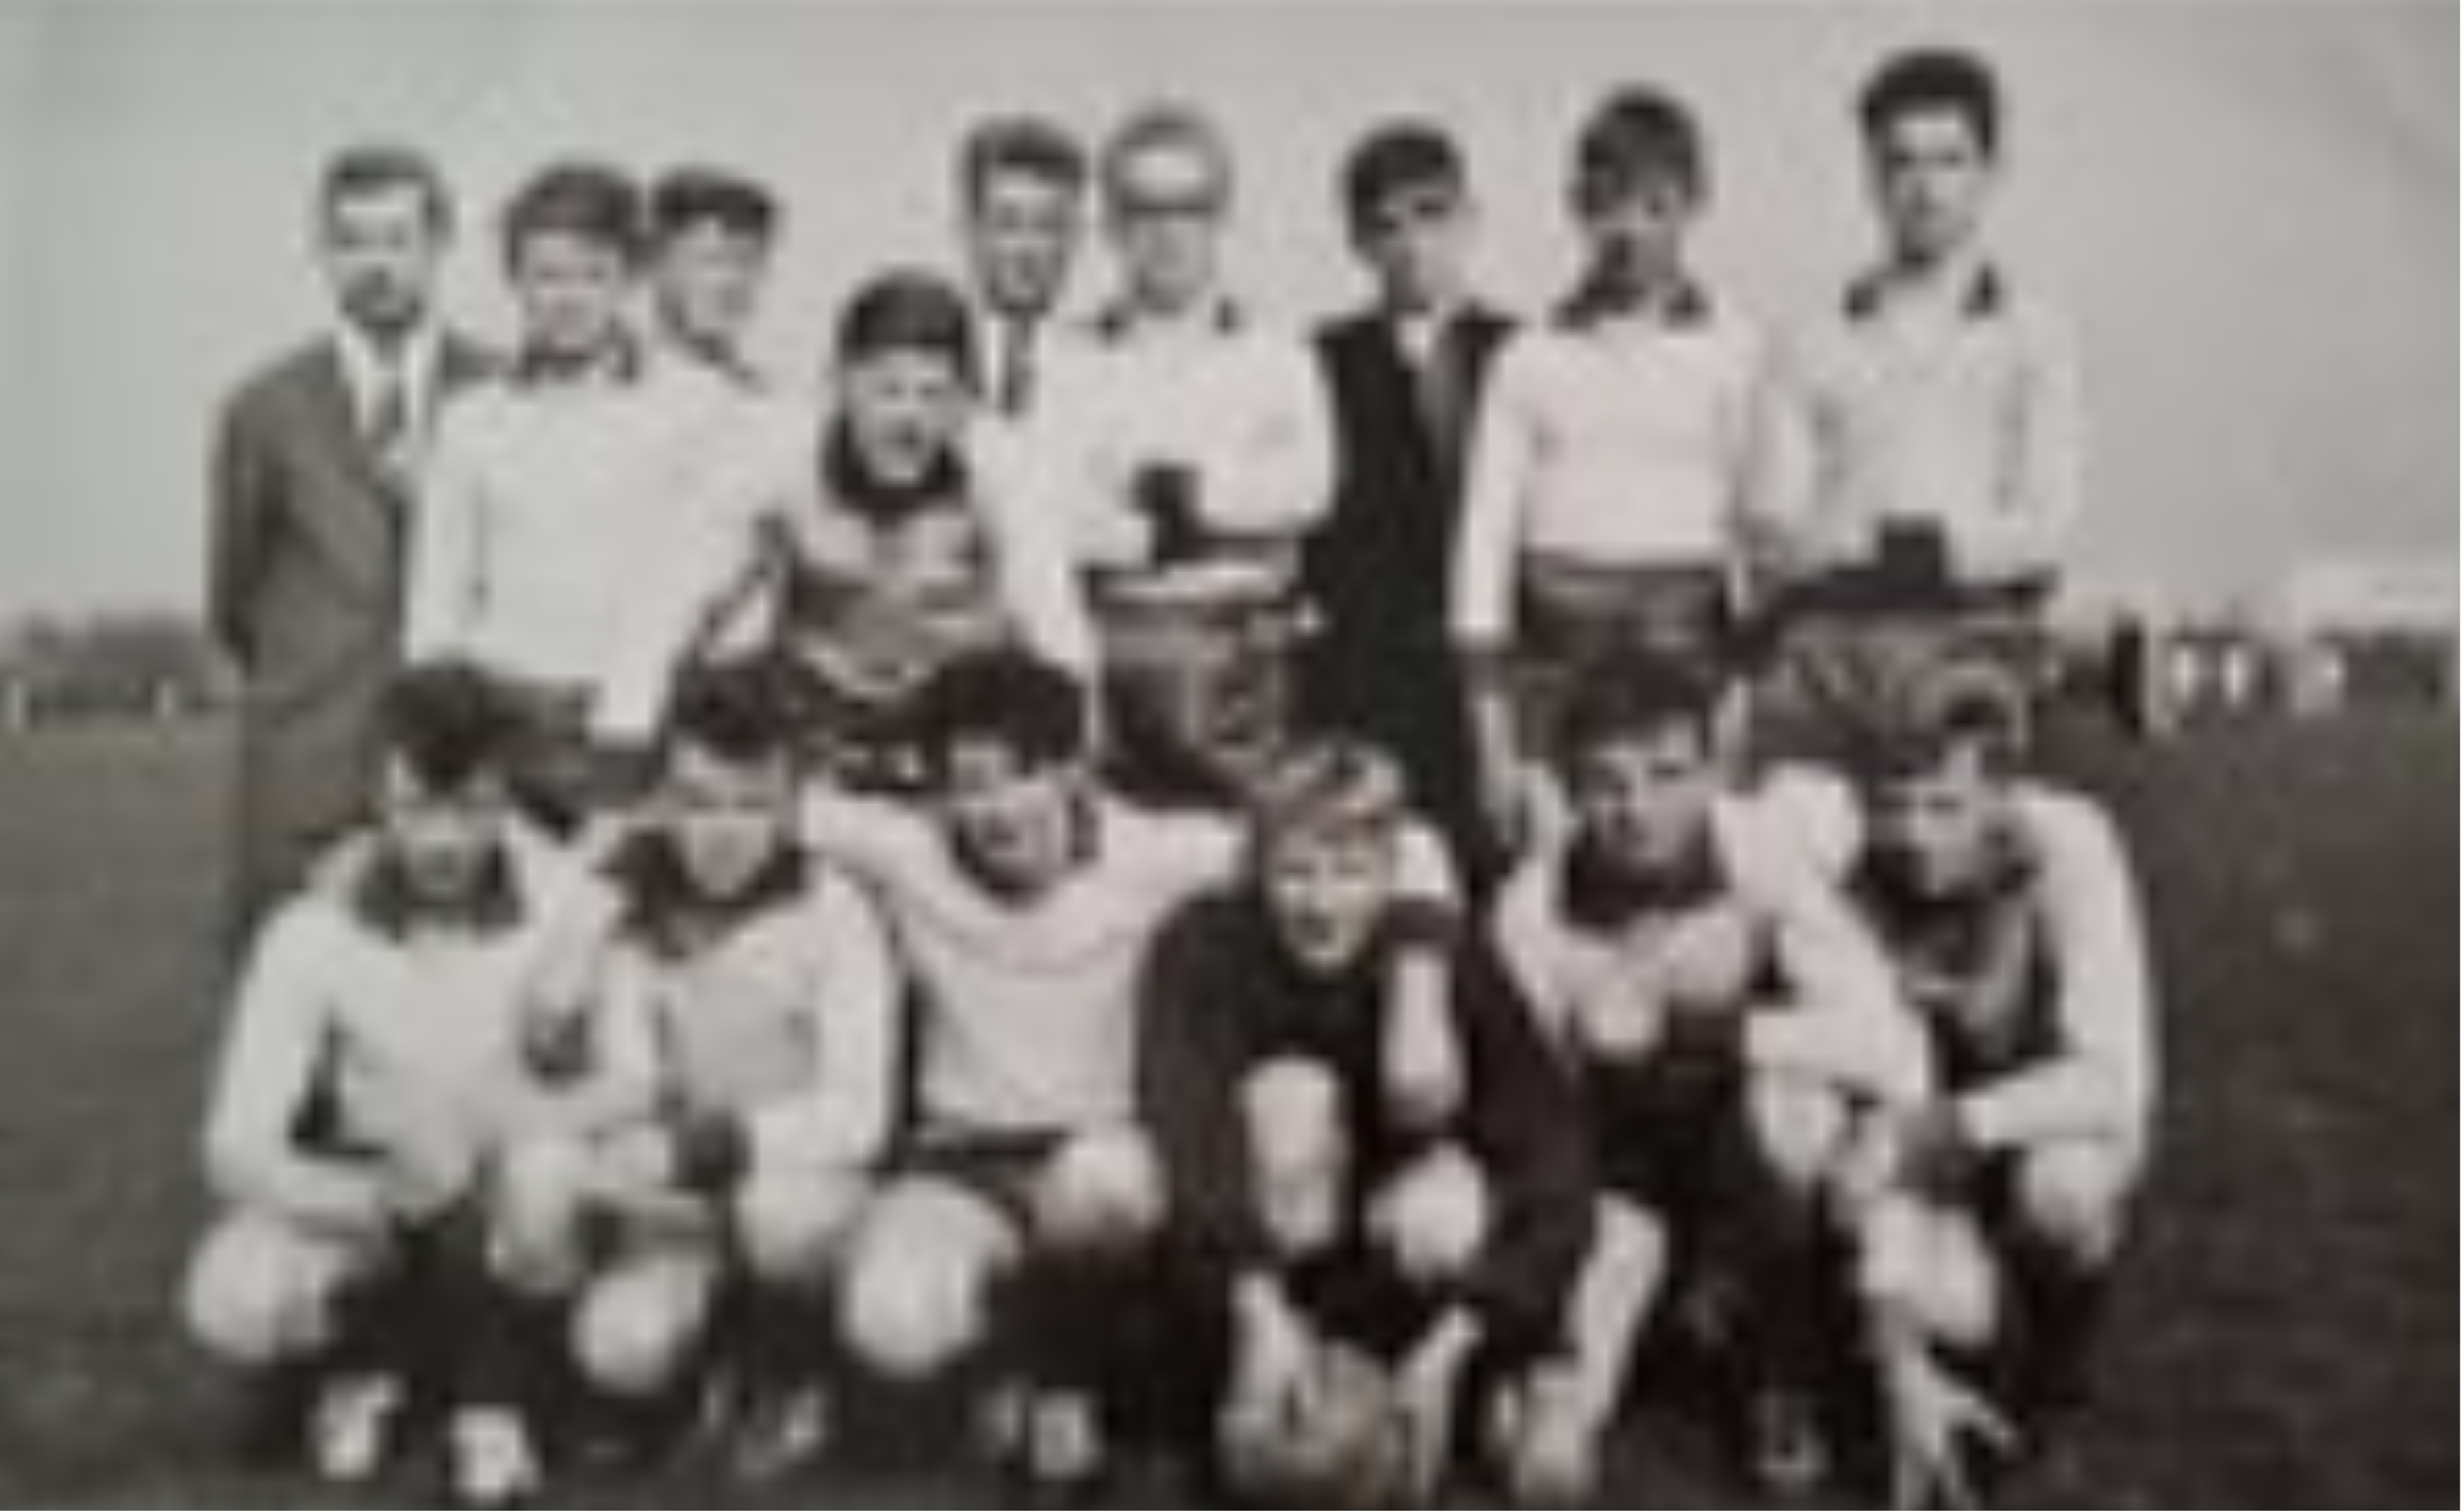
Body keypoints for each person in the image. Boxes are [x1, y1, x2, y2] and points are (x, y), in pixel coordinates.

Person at [1491, 656, 1927, 1500]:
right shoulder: (1531, 908)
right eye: (1607, 783)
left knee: (1795, 1112)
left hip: (1744, 1153)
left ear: (1713, 770)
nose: (1638, 809)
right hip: (1618, 1170)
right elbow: (1527, 1117)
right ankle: (1605, 1347)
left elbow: (1887, 1043)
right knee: (1546, 1461)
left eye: (1667, 775)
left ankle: (1783, 1360)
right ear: (1569, 788)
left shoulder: (1762, 851)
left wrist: (1701, 1029)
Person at [181, 663, 613, 1509]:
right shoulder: (310, 929)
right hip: (377, 1196)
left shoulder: (571, 903)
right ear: (377, 800)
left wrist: (506, 1129)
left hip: (509, 1190)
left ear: (508, 800)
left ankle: (503, 1393)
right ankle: (364, 1360)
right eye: (416, 808)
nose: (445, 843)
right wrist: (366, 1198)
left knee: (548, 1175)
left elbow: (657, 840)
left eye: (473, 809)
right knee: (238, 1295)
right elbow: (234, 1142)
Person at [1140, 739, 1592, 1508]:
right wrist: (1256, 1307)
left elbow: (1554, 1160)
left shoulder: (1447, 959)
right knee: (1289, 1098)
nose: (1321, 904)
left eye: (1350, 871)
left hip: (1402, 1255)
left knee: (1446, 1208)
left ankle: (1439, 1386)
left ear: (1392, 874)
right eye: (1296, 871)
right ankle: (1274, 1375)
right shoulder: (1202, 947)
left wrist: (1455, 1342)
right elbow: (1188, 1134)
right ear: (1257, 868)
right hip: (1275, 1251)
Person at [494, 659, 903, 1483]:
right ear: (663, 799)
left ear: (792, 805)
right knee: (617, 1339)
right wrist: (591, 916)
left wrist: (704, 1147)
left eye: (752, 805)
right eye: (700, 801)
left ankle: (789, 1372)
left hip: (797, 1184)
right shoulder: (633, 896)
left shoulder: (835, 909)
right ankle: (624, 1378)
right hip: (675, 1202)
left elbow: (859, 1115)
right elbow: (588, 1058)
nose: (723, 831)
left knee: (779, 1216)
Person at [1841, 669, 2158, 1510]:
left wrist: (1958, 1122)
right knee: (1945, 1306)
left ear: (2001, 795)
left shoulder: (2074, 848)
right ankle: (1859, 1363)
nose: (1913, 834)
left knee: (2065, 1188)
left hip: (2034, 1122)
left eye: (1944, 806)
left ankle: (2057, 1386)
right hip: (1928, 1142)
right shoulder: (1852, 871)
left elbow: (2113, 1079)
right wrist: (1900, 1356)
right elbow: (1883, 1101)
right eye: (1890, 805)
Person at [1750, 47, 2086, 760]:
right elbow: (1776, 526)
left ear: (1991, 171)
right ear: (1870, 176)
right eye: (1901, 163)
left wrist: (1889, 552)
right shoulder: (1809, 337)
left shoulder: (2037, 337)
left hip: (1979, 643)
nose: (1925, 189)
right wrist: (1896, 557)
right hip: (1834, 654)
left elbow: (2045, 528)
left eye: (1949, 161)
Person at [1456, 87, 1766, 857]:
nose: (1630, 231)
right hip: (1559, 642)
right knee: (1552, 851)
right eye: (1608, 206)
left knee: (1688, 854)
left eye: (1656, 207)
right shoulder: (1529, 355)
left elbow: (1754, 532)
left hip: (1686, 634)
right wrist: (1491, 732)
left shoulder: (1738, 349)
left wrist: (1741, 696)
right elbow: (1483, 543)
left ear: (1694, 204)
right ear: (1577, 207)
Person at [405, 161, 752, 831]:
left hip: (644, 728)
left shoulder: (700, 406)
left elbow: (725, 583)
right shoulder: (471, 419)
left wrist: (667, 715)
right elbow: (435, 605)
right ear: (515, 280)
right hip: (504, 726)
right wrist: (438, 749)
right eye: (547, 276)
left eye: (593, 274)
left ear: (631, 277)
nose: (569, 298)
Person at [209, 143, 494, 940]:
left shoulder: (499, 392)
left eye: (398, 239)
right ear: (323, 252)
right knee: (293, 988)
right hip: (309, 769)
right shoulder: (263, 410)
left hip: (458, 769)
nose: (376, 264)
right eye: (352, 240)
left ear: (438, 245)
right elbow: (234, 601)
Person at [664, 269, 1092, 798]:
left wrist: (1074, 768)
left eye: (934, 395)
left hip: (952, 711)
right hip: (814, 707)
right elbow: (679, 596)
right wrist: (625, 740)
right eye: (888, 391)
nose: (909, 418)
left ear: (965, 403)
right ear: (841, 385)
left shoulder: (1001, 462)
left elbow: (1054, 621)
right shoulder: (782, 450)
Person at [1070, 102, 1336, 805]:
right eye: (1143, 209)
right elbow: (1067, 517)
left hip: (1247, 650)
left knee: (1252, 844)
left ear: (1221, 218)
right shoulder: (1070, 358)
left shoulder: (1278, 353)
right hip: (1119, 649)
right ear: (1111, 225)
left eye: (1188, 207)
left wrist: (1176, 496)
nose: (1166, 232)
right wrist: (1184, 531)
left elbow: (1307, 490)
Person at [1309, 122, 1518, 891]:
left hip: (1498, 681)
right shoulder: (1325, 361)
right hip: (1371, 680)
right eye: (1386, 226)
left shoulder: (1521, 352)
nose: (1411, 245)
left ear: (1470, 220)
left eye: (1431, 215)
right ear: (1358, 243)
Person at [648, 166, 785, 386]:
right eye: (712, 260)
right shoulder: (617, 388)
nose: (732, 281)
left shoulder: (765, 394)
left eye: (748, 261)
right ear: (660, 265)